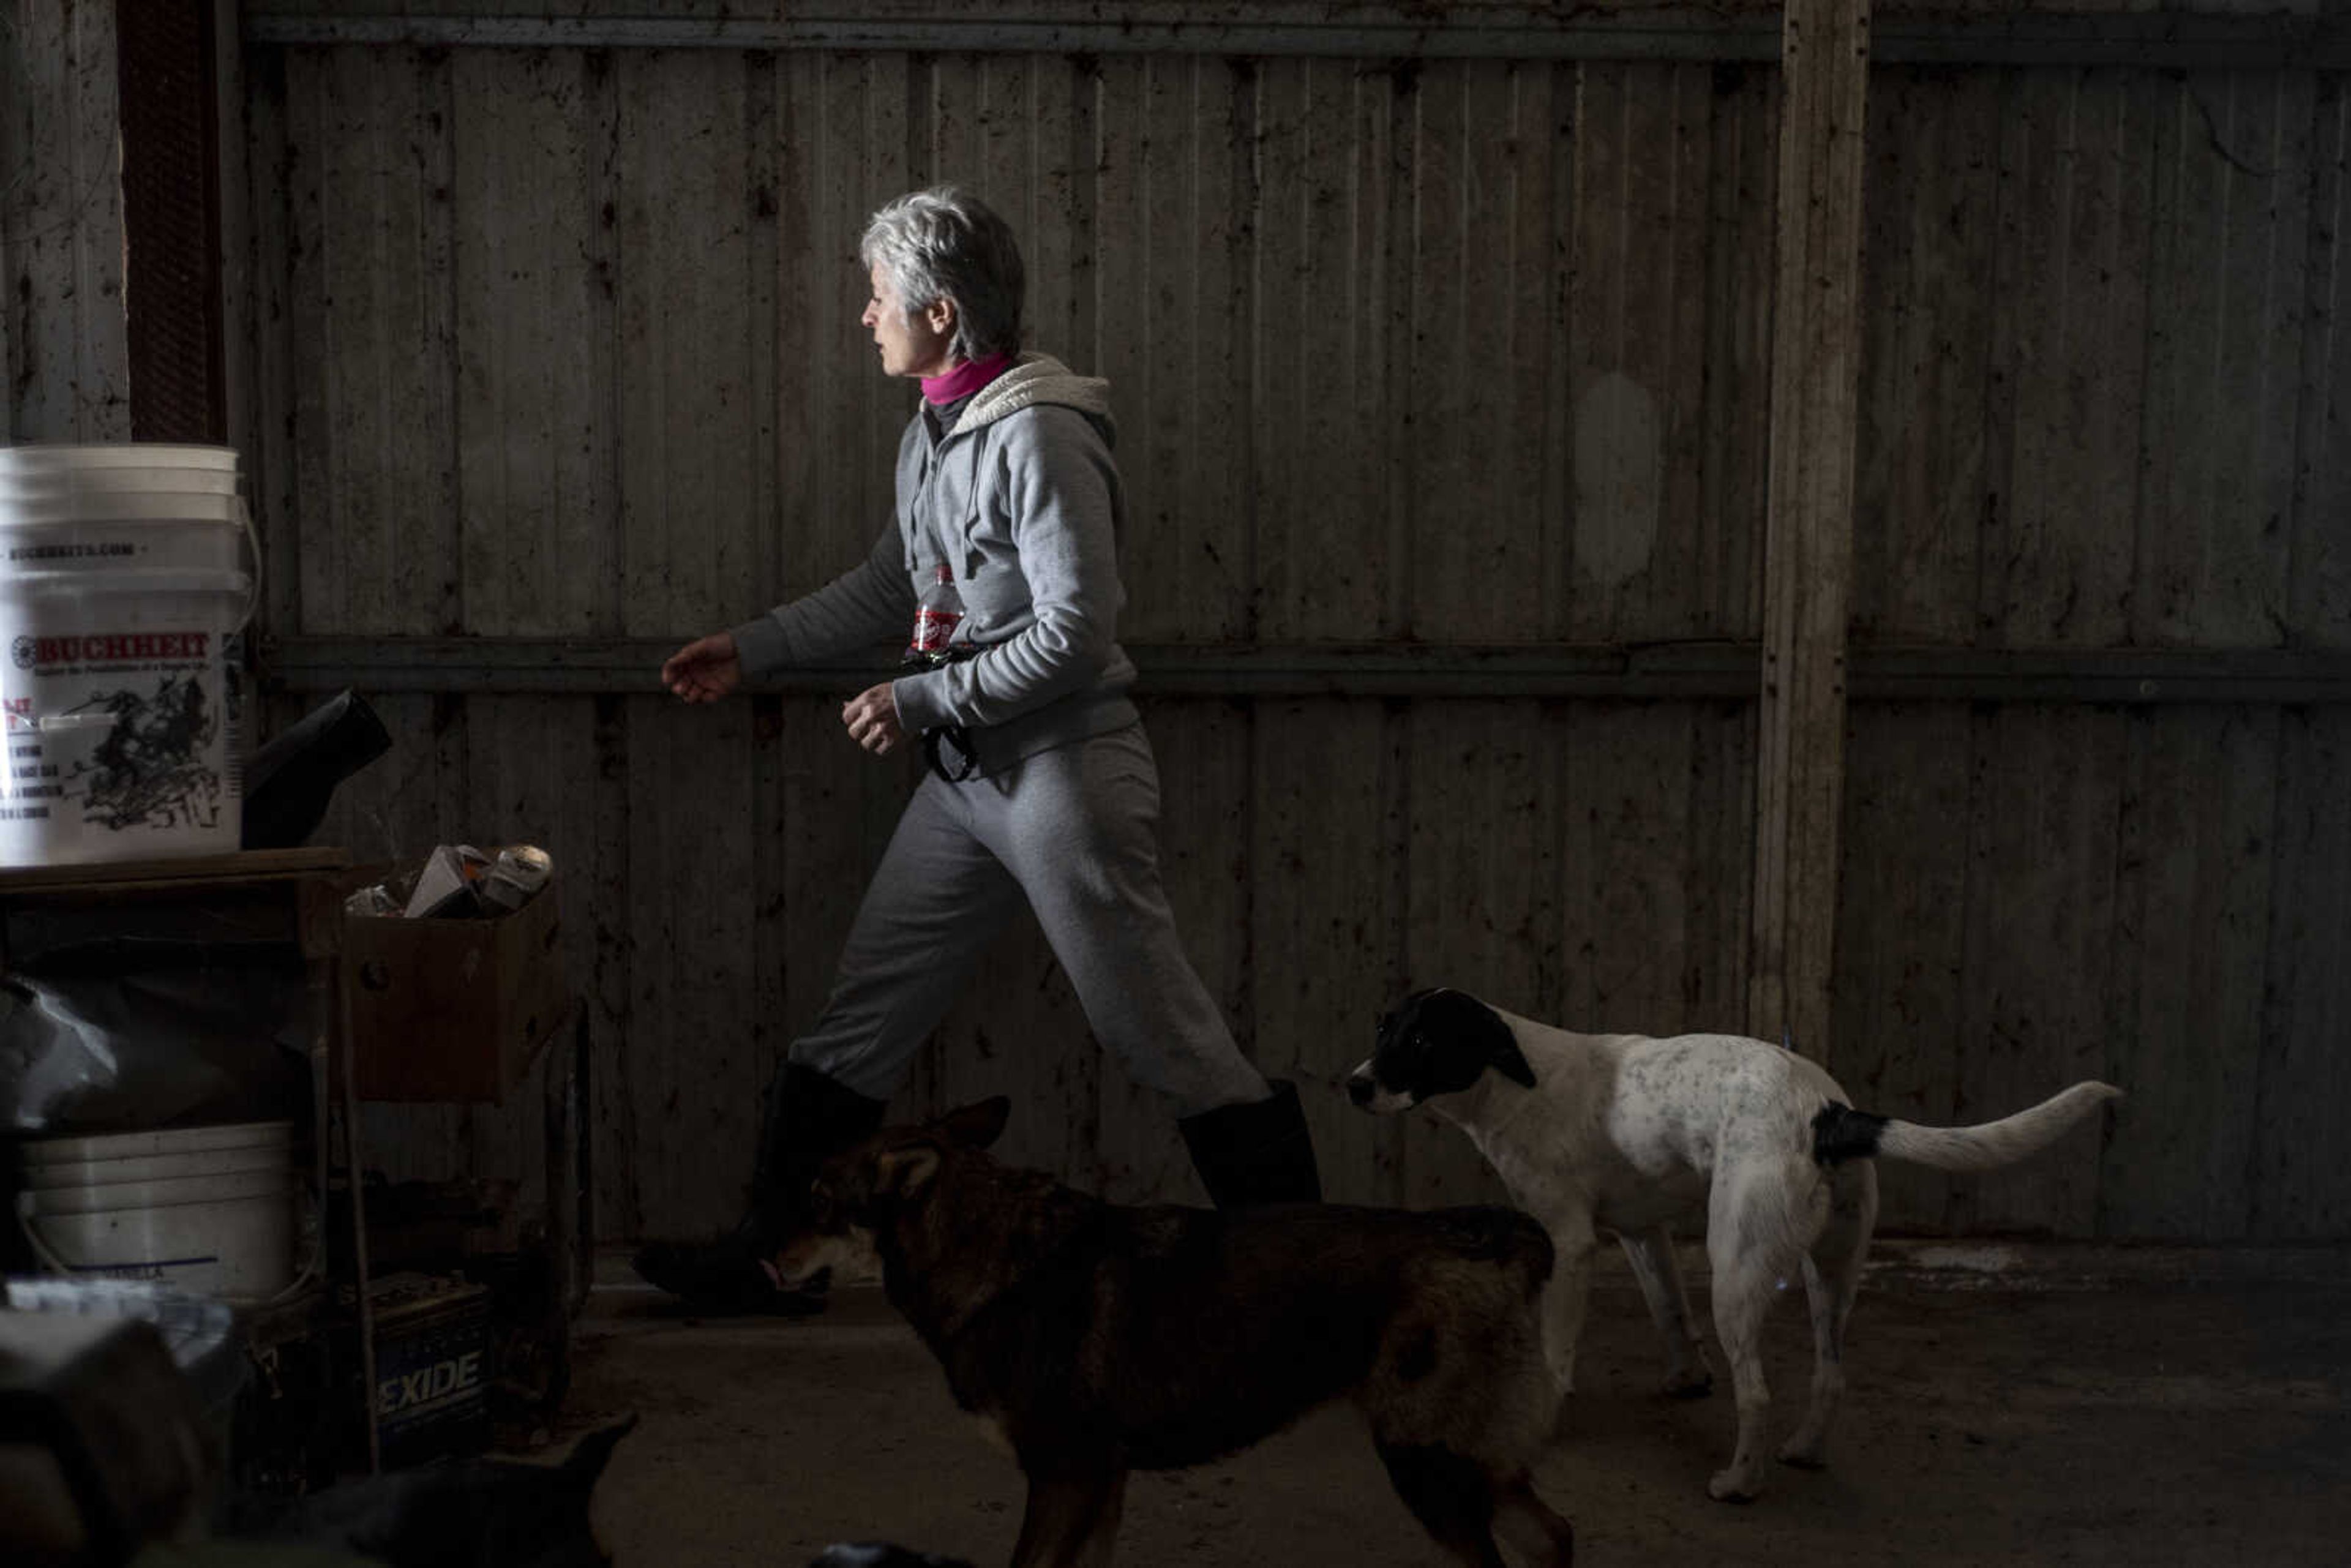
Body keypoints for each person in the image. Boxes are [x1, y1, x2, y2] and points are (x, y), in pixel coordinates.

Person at [635, 186, 1321, 1313]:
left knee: (1168, 1044)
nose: (865, 317)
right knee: (856, 1026)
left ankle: (1311, 1286)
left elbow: (1075, 631)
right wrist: (751, 651)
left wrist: (917, 702)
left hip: (1063, 781)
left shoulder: (1042, 434)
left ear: (941, 314)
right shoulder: (934, 433)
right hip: (965, 783)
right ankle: (771, 1258)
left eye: (877, 299)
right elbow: (892, 586)